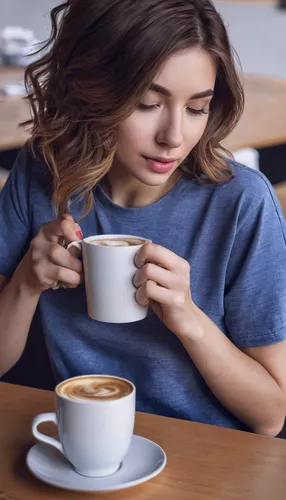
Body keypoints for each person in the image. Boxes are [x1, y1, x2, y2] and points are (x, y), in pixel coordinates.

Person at [0, 0, 286, 436]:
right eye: (147, 103)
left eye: (196, 108)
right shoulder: (43, 173)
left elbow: (271, 416)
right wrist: (25, 283)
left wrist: (188, 318)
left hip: (209, 457)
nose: (174, 137)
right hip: (78, 445)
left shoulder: (241, 203)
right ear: (93, 89)